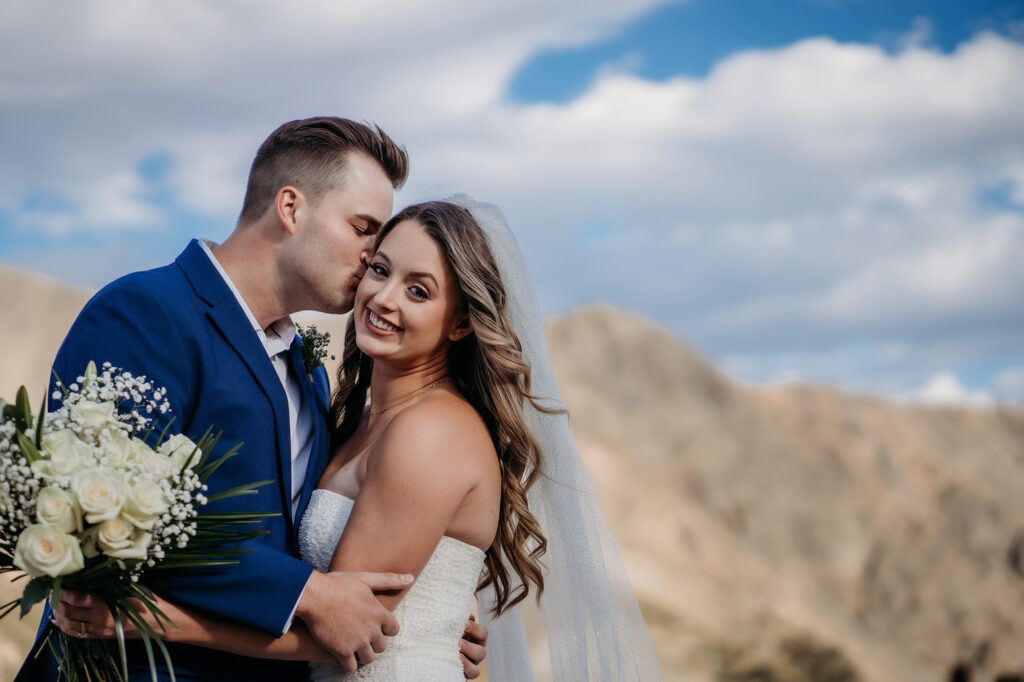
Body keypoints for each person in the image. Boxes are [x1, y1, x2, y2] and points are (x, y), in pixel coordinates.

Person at [56, 197, 665, 680]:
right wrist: (439, 622)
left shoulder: (432, 431)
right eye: (380, 269)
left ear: (459, 323)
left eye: (418, 290)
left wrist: (142, 619)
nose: (382, 297)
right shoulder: (350, 418)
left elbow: (343, 633)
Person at [19, 118, 487, 681]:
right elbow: (108, 523)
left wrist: (423, 622)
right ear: (291, 209)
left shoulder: (309, 375)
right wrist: (310, 594)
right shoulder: (146, 314)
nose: (371, 257)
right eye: (363, 228)